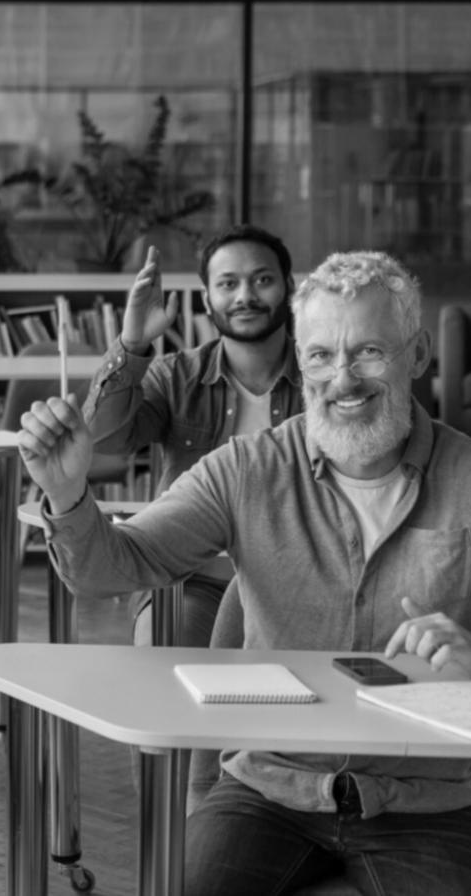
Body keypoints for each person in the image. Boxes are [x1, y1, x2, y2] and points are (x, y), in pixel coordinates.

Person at [18, 251, 471, 896]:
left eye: (367, 352)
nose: (342, 379)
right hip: (265, 792)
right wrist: (69, 496)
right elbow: (114, 567)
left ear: (416, 355)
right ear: (298, 361)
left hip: (421, 804)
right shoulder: (244, 469)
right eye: (320, 356)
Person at [84, 226, 303, 647]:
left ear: (289, 288)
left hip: (298, 579)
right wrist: (132, 344)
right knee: (161, 665)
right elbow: (103, 443)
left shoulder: (320, 377)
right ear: (207, 299)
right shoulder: (174, 376)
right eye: (228, 284)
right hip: (192, 579)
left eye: (262, 279)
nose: (245, 296)